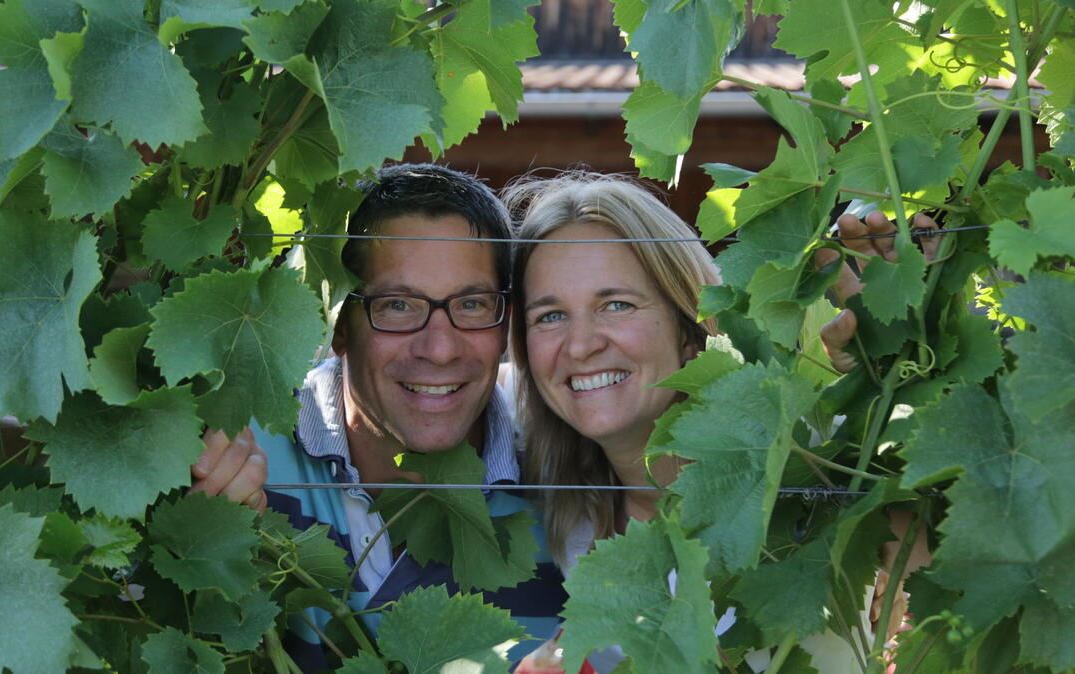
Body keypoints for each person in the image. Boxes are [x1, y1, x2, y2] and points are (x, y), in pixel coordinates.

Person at [504, 172, 933, 673]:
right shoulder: (574, 518)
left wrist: (907, 316)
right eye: (549, 316)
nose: (580, 345)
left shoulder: (819, 465)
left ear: (690, 325)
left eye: (615, 304)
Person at [230, 163, 566, 669]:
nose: (438, 347)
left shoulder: (568, 494)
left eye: (472, 304)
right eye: (397, 306)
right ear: (338, 324)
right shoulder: (237, 460)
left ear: (506, 325)